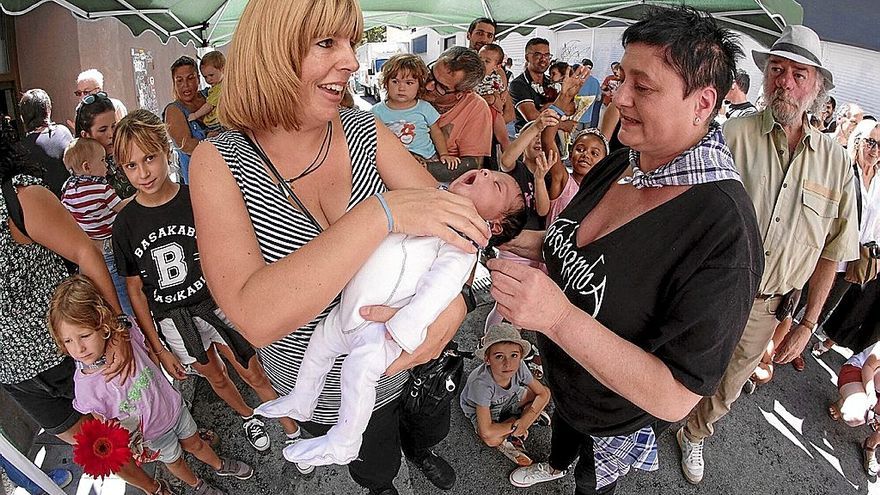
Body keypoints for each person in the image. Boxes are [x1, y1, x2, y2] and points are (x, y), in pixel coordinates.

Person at [189, 1, 491, 493]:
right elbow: (255, 315)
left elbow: (460, 236)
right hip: (311, 387)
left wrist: (457, 305)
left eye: (351, 43)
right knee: (368, 468)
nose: (351, 61)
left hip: (393, 370)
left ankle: (413, 454)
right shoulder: (219, 160)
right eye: (327, 43)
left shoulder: (365, 131)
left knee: (398, 438)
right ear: (271, 53)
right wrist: (381, 213)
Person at [488, 7, 763, 493]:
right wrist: (491, 234)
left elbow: (678, 396)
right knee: (566, 443)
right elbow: (564, 246)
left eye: (644, 86)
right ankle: (556, 462)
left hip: (616, 412)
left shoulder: (723, 230)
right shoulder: (621, 163)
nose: (618, 96)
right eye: (621, 78)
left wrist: (556, 319)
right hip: (564, 382)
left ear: (703, 102)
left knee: (593, 484)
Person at [678, 24, 859, 485]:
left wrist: (806, 324)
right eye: (777, 69)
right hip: (708, 289)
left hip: (766, 304)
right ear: (765, 77)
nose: (785, 81)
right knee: (680, 360)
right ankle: (651, 421)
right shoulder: (731, 135)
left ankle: (695, 434)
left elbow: (831, 255)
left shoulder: (837, 164)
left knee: (731, 383)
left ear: (816, 87)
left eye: (799, 74)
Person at [255, 167, 526, 467]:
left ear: (495, 225)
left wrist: (403, 328)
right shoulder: (431, 196)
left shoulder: (462, 244)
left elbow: (439, 289)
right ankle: (303, 398)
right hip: (351, 305)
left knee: (357, 373)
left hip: (383, 325)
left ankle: (345, 441)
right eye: (490, 172)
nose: (487, 173)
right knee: (319, 344)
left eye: (498, 186)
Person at [111, 109, 299, 456]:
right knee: (215, 377)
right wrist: (158, 347)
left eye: (149, 158)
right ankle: (247, 416)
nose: (143, 172)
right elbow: (136, 289)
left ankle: (291, 426)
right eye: (131, 166)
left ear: (166, 151)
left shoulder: (195, 196)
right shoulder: (124, 225)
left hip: (217, 305)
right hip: (174, 322)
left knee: (252, 371)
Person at [0, 118, 160, 494]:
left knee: (141, 410)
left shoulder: (17, 198)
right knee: (98, 447)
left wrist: (117, 327)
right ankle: (156, 490)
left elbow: (86, 253)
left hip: (77, 353)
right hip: (18, 380)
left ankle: (180, 445)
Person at [49, 275, 254, 495]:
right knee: (174, 462)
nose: (78, 348)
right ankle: (197, 484)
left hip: (174, 408)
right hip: (153, 435)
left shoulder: (126, 338)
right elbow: (105, 427)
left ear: (103, 324)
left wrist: (128, 338)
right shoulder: (85, 389)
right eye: (68, 341)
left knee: (195, 443)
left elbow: (132, 327)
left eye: (85, 335)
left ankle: (218, 465)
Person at [811, 120, 880, 356]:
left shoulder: (879, 179)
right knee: (802, 298)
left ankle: (797, 345)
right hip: (830, 249)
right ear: (859, 140)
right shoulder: (847, 170)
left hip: (856, 258)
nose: (875, 150)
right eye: (871, 142)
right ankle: (773, 342)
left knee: (824, 306)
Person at [460, 323, 551, 467]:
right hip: (486, 409)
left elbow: (544, 392)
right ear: (487, 359)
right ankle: (510, 437)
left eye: (514, 355)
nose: (508, 364)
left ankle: (517, 425)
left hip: (510, 398)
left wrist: (525, 421)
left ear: (521, 356)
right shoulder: (481, 384)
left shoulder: (520, 366)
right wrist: (519, 424)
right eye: (499, 356)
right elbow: (486, 431)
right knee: (491, 440)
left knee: (536, 395)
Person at [61, 137, 133, 315]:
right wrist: (138, 196)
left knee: (101, 292)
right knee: (121, 291)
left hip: (90, 249)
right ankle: (132, 323)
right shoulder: (101, 189)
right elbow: (120, 208)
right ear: (87, 167)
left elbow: (68, 217)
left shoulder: (68, 190)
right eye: (102, 161)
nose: (106, 165)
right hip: (109, 246)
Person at [370, 54, 460, 169]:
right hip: (394, 163)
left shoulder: (424, 108)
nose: (401, 88)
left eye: (409, 83)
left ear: (419, 86)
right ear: (386, 83)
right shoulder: (376, 112)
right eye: (395, 81)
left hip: (428, 159)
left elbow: (436, 132)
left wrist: (444, 154)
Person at [420, 46, 494, 179]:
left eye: (440, 87)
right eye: (430, 73)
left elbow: (473, 164)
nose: (427, 85)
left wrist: (418, 167)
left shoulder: (476, 108)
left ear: (461, 94)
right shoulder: (414, 87)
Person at [828, 342, 880, 476]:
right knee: (854, 416)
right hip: (861, 370)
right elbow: (869, 366)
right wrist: (871, 395)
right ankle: (845, 400)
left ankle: (871, 444)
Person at [74, 92, 136, 199]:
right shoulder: (82, 177)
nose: (111, 134)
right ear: (85, 135)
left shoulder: (128, 152)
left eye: (113, 126)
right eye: (102, 130)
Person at [18, 89, 72, 198]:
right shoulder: (63, 132)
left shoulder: (22, 148)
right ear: (48, 111)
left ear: (23, 117)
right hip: (74, 201)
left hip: (45, 205)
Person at [163, 56, 209, 184]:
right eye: (179, 80)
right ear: (174, 83)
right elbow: (187, 146)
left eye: (190, 78)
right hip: (199, 180)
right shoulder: (173, 110)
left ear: (199, 79)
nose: (186, 85)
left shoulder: (211, 96)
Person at [475, 44, 513, 151]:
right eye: (479, 59)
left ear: (496, 66)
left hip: (494, 111)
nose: (481, 63)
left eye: (487, 61)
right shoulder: (472, 77)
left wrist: (502, 95)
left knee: (503, 138)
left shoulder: (496, 77)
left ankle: (509, 161)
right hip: (478, 111)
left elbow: (503, 91)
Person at [188, 51, 226, 133]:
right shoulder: (217, 86)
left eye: (211, 75)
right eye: (205, 77)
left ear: (223, 69)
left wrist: (195, 115)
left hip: (217, 123)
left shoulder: (220, 88)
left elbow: (209, 106)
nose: (208, 79)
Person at [576, 59, 603, 130]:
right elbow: (598, 98)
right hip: (589, 117)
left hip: (577, 116)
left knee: (575, 138)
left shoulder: (577, 81)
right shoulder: (595, 81)